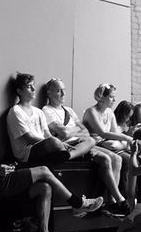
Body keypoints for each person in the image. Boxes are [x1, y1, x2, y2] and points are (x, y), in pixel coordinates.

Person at [42, 78, 129, 215]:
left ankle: (112, 201)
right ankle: (116, 200)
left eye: (64, 90)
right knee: (105, 158)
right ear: (49, 93)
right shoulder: (46, 110)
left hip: (83, 142)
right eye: (59, 91)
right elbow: (62, 133)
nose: (64, 94)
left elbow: (85, 131)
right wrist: (74, 130)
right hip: (68, 146)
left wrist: (72, 131)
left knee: (116, 159)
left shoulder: (69, 110)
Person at [7, 72, 96, 168]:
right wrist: (57, 143)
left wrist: (59, 144)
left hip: (48, 146)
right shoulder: (15, 111)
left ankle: (68, 156)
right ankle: (68, 154)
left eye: (33, 85)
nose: (33, 89)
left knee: (90, 140)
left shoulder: (38, 112)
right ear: (19, 91)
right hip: (27, 153)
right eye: (29, 86)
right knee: (54, 141)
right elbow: (30, 138)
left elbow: (47, 134)